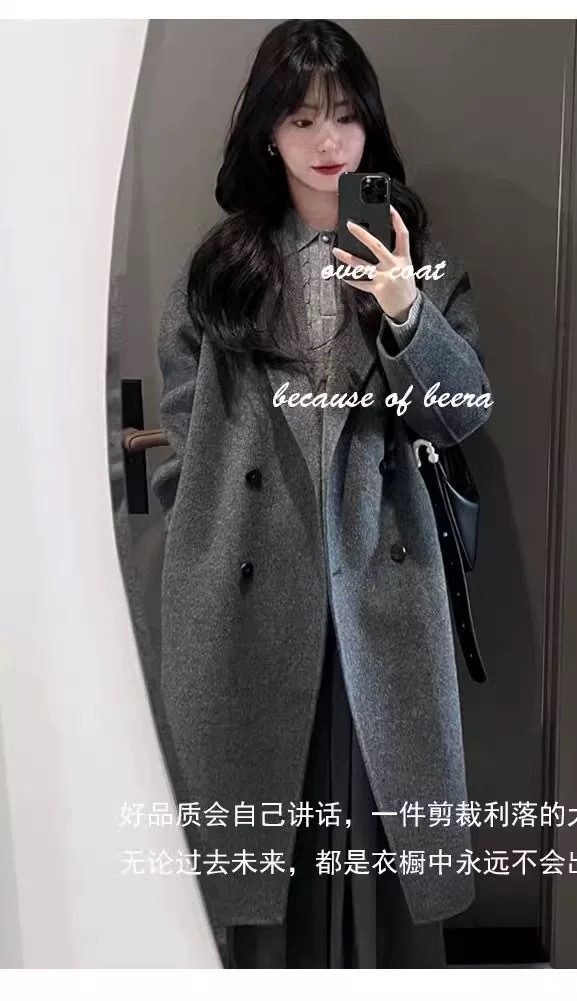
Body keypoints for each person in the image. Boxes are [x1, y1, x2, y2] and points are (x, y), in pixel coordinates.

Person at [151, 18, 493, 969]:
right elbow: (184, 432)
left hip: (376, 575)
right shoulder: (217, 272)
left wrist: (404, 307)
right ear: (268, 134)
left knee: (385, 819)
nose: (327, 139)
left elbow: (464, 411)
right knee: (270, 826)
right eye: (302, 118)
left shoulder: (416, 256)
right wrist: (207, 530)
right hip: (252, 583)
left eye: (344, 115)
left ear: (369, 124)